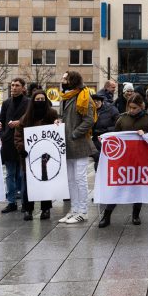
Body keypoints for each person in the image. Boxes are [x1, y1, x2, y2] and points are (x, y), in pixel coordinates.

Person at [99, 94, 148, 228]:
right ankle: (106, 215)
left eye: (134, 108)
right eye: (129, 107)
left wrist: (147, 135)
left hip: (140, 160)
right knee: (116, 188)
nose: (131, 110)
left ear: (142, 106)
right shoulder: (122, 119)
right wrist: (106, 140)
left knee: (138, 188)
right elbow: (116, 137)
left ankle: (136, 215)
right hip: (123, 160)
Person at [57, 71, 98, 225]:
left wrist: (74, 134)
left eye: (65, 78)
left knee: (80, 179)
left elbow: (88, 120)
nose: (62, 80)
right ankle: (74, 209)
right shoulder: (67, 97)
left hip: (79, 144)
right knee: (71, 180)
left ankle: (83, 211)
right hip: (67, 144)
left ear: (72, 80)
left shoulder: (84, 96)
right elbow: (65, 118)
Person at [14, 89, 57, 220]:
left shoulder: (52, 114)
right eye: (37, 100)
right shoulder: (26, 117)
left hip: (46, 155)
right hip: (29, 156)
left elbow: (58, 130)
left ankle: (45, 209)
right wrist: (21, 148)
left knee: (45, 182)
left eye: (42, 100)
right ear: (33, 101)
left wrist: (57, 124)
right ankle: (28, 210)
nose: (40, 102)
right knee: (28, 184)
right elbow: (18, 135)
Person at [0, 78, 30, 214]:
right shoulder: (6, 103)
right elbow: (1, 119)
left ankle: (24, 201)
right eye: (12, 85)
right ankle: (11, 202)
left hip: (23, 141)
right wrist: (2, 131)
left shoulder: (28, 102)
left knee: (23, 174)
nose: (14, 88)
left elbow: (30, 118)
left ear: (23, 88)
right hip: (9, 142)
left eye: (17, 85)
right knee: (10, 174)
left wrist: (19, 122)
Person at [91, 92, 120, 169]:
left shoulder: (111, 110)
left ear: (102, 101)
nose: (96, 103)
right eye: (94, 101)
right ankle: (98, 175)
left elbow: (118, 125)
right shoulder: (90, 111)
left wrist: (106, 130)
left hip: (108, 138)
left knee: (108, 159)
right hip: (95, 139)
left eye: (98, 101)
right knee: (98, 158)